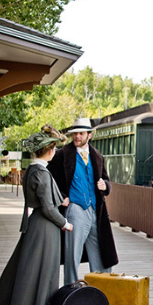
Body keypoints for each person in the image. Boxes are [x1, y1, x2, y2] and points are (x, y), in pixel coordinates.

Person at [0, 125, 72, 305]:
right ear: (50, 151)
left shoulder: (33, 170)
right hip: (45, 229)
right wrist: (65, 223)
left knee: (28, 272)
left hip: (36, 225)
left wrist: (61, 202)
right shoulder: (42, 173)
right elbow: (48, 208)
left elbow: (44, 201)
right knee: (44, 274)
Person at [48, 117, 118, 285]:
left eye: (81, 133)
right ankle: (70, 290)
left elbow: (107, 181)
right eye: (75, 134)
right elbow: (49, 179)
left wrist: (105, 185)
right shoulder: (62, 154)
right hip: (75, 210)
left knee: (100, 253)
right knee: (72, 254)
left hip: (96, 211)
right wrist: (60, 198)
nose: (77, 137)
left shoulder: (97, 156)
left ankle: (102, 288)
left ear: (89, 135)